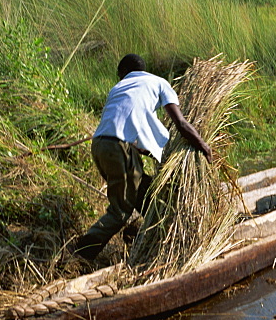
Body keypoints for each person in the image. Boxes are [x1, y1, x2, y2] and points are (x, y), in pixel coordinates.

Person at [74, 53, 212, 260]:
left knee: (144, 193)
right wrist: (203, 145)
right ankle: (81, 253)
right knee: (121, 210)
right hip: (118, 146)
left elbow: (129, 125)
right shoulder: (158, 82)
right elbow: (181, 123)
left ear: (123, 73)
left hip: (100, 145)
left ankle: (153, 237)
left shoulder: (119, 88)